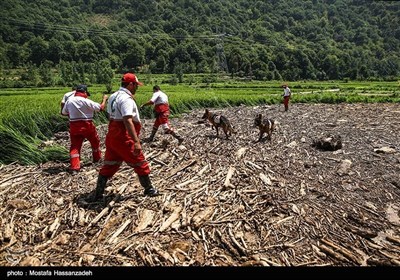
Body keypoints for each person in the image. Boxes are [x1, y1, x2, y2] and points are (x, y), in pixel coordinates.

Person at [85, 73, 159, 203]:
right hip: (124, 137)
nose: (137, 87)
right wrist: (136, 141)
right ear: (130, 84)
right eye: (136, 85)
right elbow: (127, 120)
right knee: (139, 162)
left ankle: (98, 194)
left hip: (112, 136)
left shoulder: (113, 96)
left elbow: (109, 116)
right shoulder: (126, 99)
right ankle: (149, 189)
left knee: (109, 165)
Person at [61, 84, 108, 174]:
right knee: (95, 142)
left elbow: (63, 113)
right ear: (85, 92)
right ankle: (97, 159)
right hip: (87, 126)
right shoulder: (86, 101)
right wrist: (104, 99)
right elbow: (101, 108)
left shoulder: (69, 101)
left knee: (75, 146)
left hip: (74, 126)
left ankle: (75, 167)